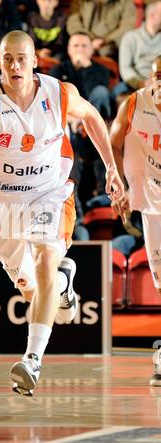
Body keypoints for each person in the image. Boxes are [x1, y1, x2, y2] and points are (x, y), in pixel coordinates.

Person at [0, 30, 124, 396]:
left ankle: (32, 361)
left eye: (22, 58)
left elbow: (93, 118)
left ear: (35, 61)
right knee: (35, 292)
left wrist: (112, 168)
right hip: (3, 203)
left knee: (43, 261)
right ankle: (64, 287)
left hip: (50, 193)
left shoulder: (58, 93)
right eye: (8, 58)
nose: (15, 65)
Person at [110, 55, 161, 387]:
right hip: (153, 204)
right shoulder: (134, 104)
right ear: (150, 79)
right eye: (159, 75)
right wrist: (121, 185)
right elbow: (113, 145)